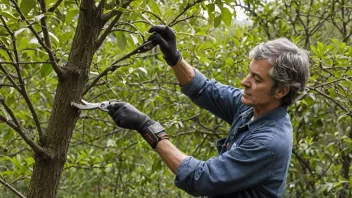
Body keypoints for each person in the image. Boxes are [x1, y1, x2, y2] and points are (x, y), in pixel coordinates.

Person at [107, 25, 310, 197]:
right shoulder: (251, 107)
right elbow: (203, 89)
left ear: (281, 91)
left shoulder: (269, 143)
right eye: (249, 72)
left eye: (257, 79)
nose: (245, 82)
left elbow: (200, 179)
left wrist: (148, 127)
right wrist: (174, 57)